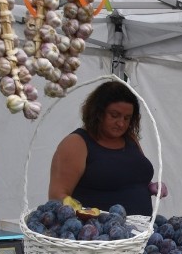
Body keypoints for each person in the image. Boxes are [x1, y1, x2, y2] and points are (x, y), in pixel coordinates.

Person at [49, 80, 161, 216]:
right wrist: (81, 212)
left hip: (141, 232)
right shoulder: (76, 143)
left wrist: (150, 186)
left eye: (127, 118)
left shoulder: (131, 139)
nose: (121, 123)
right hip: (99, 233)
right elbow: (58, 195)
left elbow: (129, 179)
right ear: (98, 113)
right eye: (114, 115)